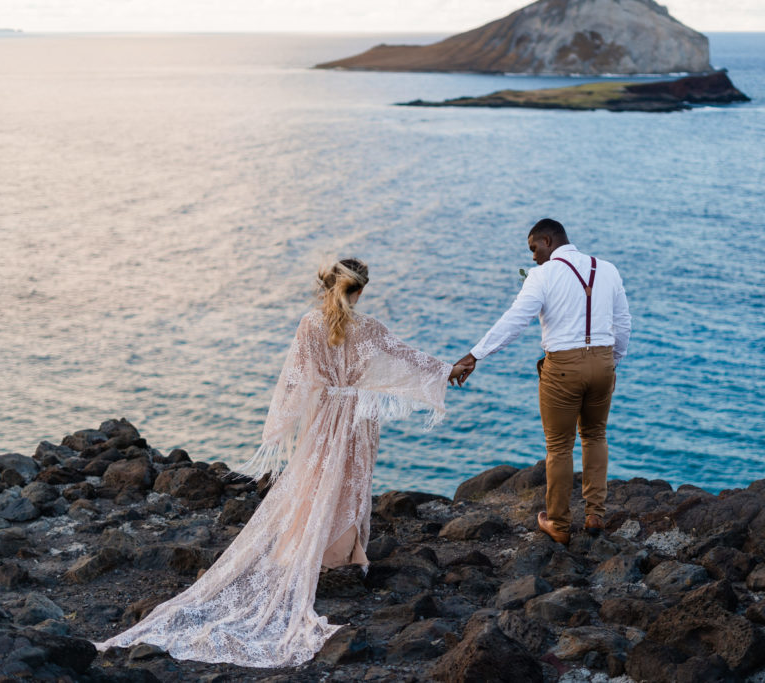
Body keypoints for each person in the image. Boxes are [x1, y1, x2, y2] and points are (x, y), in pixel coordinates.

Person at [92, 258, 469, 668]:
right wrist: (449, 370)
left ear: (326, 287)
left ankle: (305, 546)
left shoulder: (310, 324)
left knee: (314, 477)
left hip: (323, 413)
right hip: (356, 417)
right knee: (349, 480)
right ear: (359, 290)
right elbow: (407, 358)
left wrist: (282, 426)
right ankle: (342, 555)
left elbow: (295, 377)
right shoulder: (370, 327)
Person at [454, 219, 631, 545]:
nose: (533, 258)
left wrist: (475, 355)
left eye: (534, 249)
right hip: (604, 363)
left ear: (548, 241)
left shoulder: (543, 275)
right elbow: (623, 323)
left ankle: (560, 525)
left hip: (562, 368)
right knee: (595, 435)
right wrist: (611, 363)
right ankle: (595, 515)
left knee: (560, 447)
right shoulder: (608, 269)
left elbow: (516, 320)